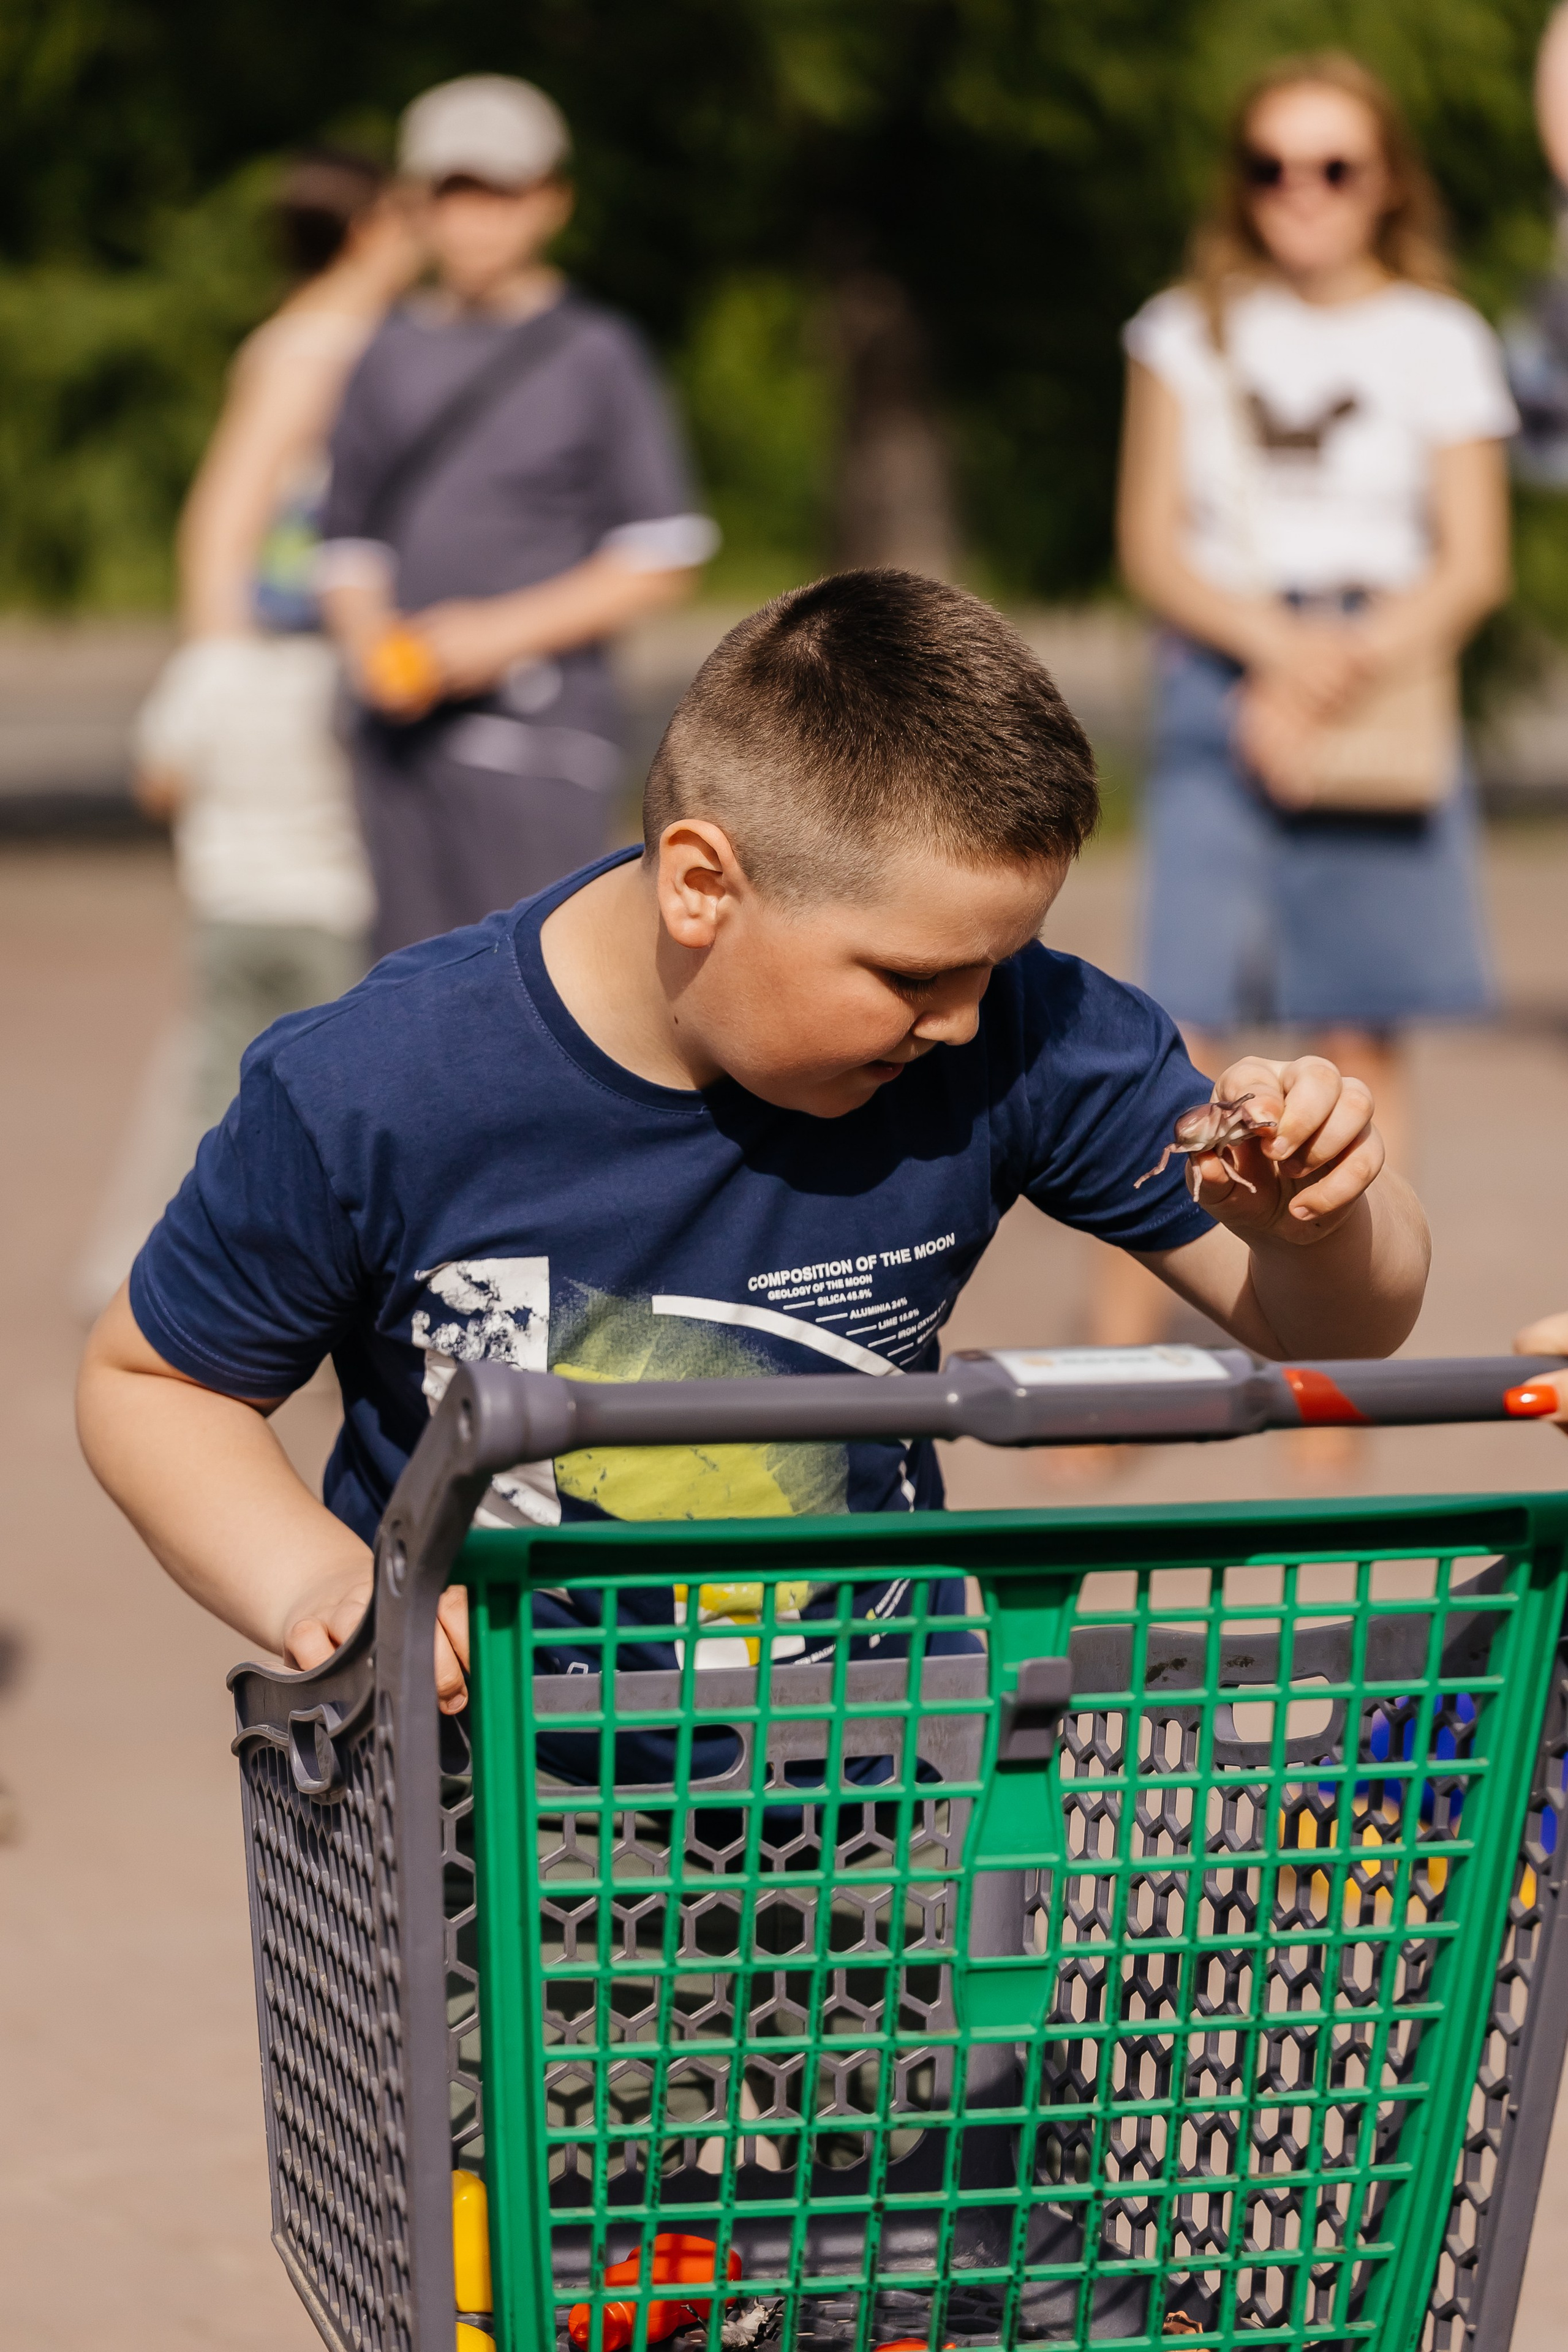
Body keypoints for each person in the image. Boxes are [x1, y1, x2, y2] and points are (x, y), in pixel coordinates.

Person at [77, 570, 1429, 1705]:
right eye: (907, 980)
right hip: (488, 1817)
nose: (961, 1025)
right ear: (700, 886)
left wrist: (1317, 1220)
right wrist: (315, 1578)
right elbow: (156, 1384)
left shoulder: (1024, 1022)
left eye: (994, 966)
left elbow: (1335, 1329)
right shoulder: (376, 1086)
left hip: (880, 1799)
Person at [1094, 49, 1515, 1365]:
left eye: (1332, 165)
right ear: (1242, 182)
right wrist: (1274, 657)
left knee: (1354, 1023)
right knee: (1186, 1022)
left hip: (1381, 674)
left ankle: (1338, 1358)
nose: (1301, 193)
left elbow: (1471, 560)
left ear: (1383, 179)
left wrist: (1327, 671)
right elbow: (1151, 543)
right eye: (1272, 166)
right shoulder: (1182, 326)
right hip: (1223, 666)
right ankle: (1133, 1345)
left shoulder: (1438, 337)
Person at [317, 75, 718, 956]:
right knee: (403, 991)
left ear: (552, 202)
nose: (476, 218)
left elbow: (663, 553)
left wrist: (494, 636)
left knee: (533, 980)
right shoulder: (382, 352)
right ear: (415, 206)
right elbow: (345, 541)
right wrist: (370, 647)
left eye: (501, 191)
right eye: (453, 192)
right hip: (398, 748)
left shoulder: (597, 354)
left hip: (543, 743)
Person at [134, 148, 422, 1128]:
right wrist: (226, 681)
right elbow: (225, 521)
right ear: (369, 227)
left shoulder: (347, 336)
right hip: (297, 656)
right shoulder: (319, 347)